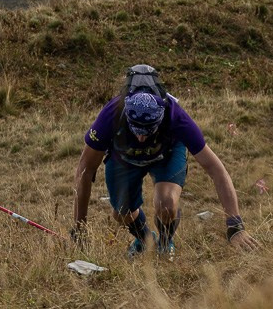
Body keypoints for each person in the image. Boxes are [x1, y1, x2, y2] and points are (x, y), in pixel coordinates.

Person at [72, 65, 258, 259]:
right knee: (121, 213)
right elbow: (85, 170)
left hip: (166, 153)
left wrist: (235, 227)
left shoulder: (175, 116)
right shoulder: (111, 114)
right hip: (123, 157)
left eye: (148, 131)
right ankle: (145, 241)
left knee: (166, 203)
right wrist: (79, 229)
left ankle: (165, 241)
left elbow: (216, 170)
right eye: (136, 131)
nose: (142, 139)